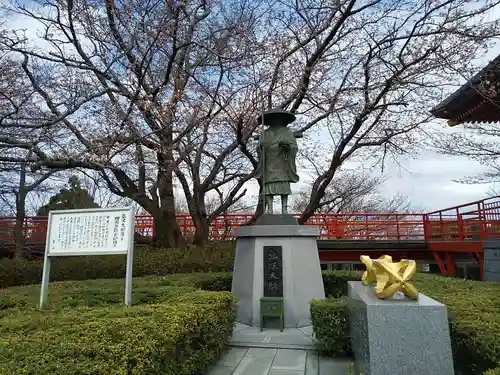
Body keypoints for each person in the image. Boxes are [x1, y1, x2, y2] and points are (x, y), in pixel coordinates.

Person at [254, 109, 300, 215]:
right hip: (269, 161)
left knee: (284, 185)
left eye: (278, 118)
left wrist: (287, 146)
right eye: (274, 118)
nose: (276, 120)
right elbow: (259, 147)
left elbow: (294, 146)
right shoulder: (265, 133)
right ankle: (269, 208)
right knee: (269, 186)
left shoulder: (287, 131)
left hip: (283, 161)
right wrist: (261, 147)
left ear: (283, 120)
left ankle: (285, 209)